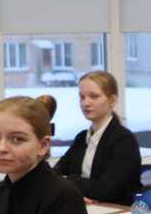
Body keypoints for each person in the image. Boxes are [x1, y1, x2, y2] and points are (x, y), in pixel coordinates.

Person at [53, 70, 143, 205]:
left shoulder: (124, 141)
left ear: (112, 101)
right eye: (82, 97)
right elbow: (55, 174)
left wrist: (68, 180)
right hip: (87, 209)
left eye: (94, 96)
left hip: (118, 213)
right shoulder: (81, 138)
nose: (85, 103)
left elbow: (104, 190)